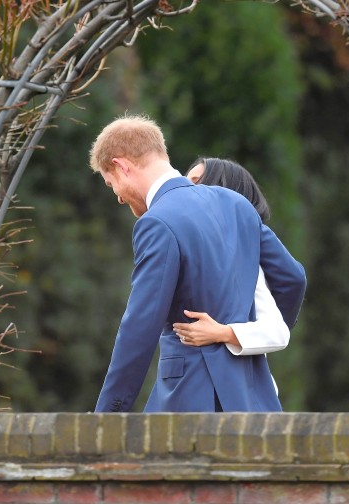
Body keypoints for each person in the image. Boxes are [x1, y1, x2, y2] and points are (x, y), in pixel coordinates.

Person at [89, 114, 306, 412]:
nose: (119, 198)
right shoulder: (237, 205)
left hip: (190, 399)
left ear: (121, 166)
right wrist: (248, 337)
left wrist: (107, 416)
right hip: (253, 398)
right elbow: (292, 278)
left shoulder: (157, 221)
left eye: (111, 183)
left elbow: (140, 328)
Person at [173, 157, 290, 356]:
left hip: (239, 383)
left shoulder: (243, 261)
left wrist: (222, 333)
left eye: (194, 182)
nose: (183, 190)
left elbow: (277, 332)